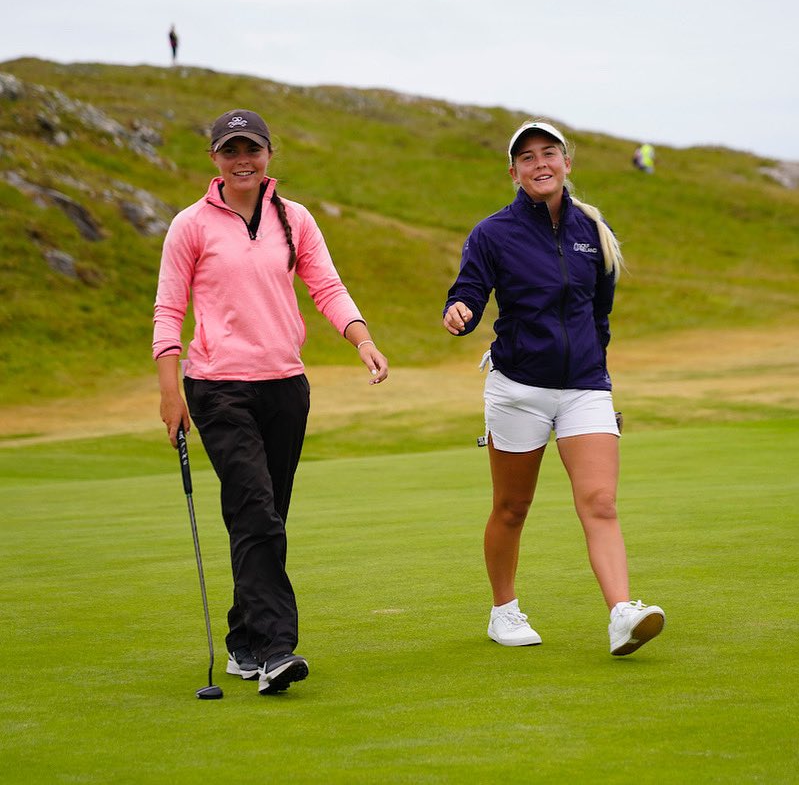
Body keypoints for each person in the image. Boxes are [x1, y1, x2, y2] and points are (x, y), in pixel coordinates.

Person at [153, 108, 389, 695]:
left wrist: (362, 340)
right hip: (217, 388)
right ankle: (276, 649)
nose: (243, 160)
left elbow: (326, 286)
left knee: (263, 516)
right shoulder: (190, 225)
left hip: (285, 385)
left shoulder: (295, 218)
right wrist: (169, 392)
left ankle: (243, 640)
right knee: (256, 511)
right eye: (231, 150)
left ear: (268, 155)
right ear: (214, 158)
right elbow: (168, 310)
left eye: (252, 149)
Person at [443, 120, 664, 656]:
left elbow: (600, 312)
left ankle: (621, 613)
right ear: (513, 172)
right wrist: (461, 310)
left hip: (585, 386)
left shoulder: (593, 229)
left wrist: (595, 366)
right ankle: (504, 610)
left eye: (549, 153)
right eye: (527, 157)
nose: (539, 163)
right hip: (518, 387)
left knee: (600, 502)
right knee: (512, 507)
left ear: (567, 162)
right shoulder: (493, 233)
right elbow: (469, 288)